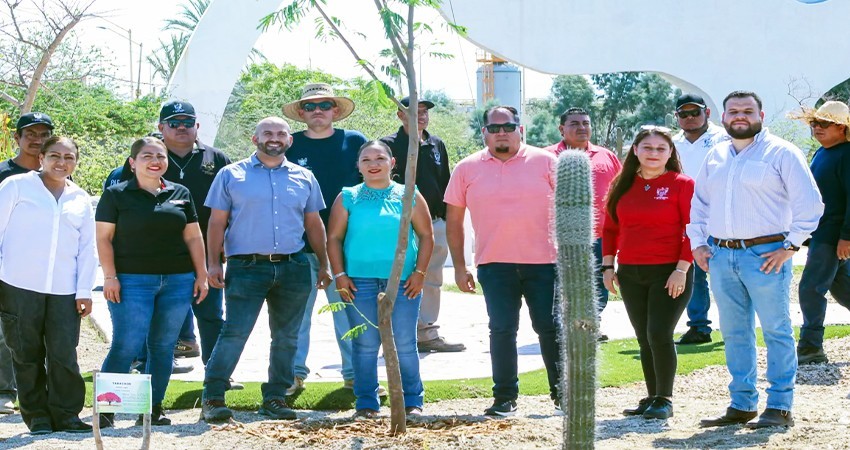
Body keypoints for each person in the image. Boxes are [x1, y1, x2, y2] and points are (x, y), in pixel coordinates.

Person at [689, 91, 823, 429]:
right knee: (734, 332)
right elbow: (700, 203)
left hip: (766, 255)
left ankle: (779, 406)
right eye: (733, 111)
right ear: (722, 116)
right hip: (721, 254)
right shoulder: (716, 155)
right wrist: (698, 244)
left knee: (776, 330)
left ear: (760, 115)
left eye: (747, 111)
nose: (740, 116)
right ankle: (742, 403)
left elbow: (810, 205)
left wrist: (791, 246)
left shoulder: (782, 152)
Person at [201, 117, 330, 422]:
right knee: (235, 332)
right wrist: (213, 262)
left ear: (290, 140)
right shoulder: (230, 175)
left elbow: (314, 223)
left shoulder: (305, 177)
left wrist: (324, 264)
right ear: (254, 139)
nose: (274, 138)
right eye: (267, 133)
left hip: (294, 266)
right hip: (246, 267)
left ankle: (275, 398)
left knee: (287, 337)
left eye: (281, 133)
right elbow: (216, 222)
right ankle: (213, 396)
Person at [445, 105, 561, 416]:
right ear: (484, 132)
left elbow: (570, 209)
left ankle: (564, 393)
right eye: (494, 128)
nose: (501, 133)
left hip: (545, 264)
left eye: (508, 127)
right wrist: (460, 267)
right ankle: (505, 398)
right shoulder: (466, 168)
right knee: (502, 330)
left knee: (550, 328)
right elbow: (454, 222)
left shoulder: (547, 162)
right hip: (494, 265)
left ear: (520, 130)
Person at [104, 103, 232, 376]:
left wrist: (220, 252)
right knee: (149, 323)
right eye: (174, 123)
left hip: (206, 253)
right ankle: (144, 369)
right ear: (161, 127)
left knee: (211, 315)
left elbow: (232, 204)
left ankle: (217, 374)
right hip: (152, 260)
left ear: (197, 126)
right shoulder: (146, 158)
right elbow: (120, 210)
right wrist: (111, 271)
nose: (182, 127)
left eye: (188, 122)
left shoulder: (217, 158)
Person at [96, 137, 209, 427]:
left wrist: (201, 274)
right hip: (131, 281)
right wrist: (110, 276)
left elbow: (193, 236)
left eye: (160, 156)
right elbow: (104, 239)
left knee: (163, 346)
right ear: (133, 162)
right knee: (127, 345)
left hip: (177, 281)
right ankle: (106, 410)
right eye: (147, 156)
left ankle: (151, 408)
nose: (155, 161)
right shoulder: (116, 194)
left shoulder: (180, 192)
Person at [327, 140, 434, 418]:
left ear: (392, 163)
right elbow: (334, 238)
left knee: (405, 343)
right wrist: (339, 275)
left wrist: (420, 273)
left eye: (379, 159)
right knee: (364, 345)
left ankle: (412, 401)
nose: (373, 164)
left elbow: (426, 236)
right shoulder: (348, 197)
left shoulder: (408, 194)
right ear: (358, 166)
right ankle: (366, 404)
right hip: (358, 283)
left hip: (402, 281)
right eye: (366, 160)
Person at [0, 136, 96, 434]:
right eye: (55, 155)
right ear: (41, 158)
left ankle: (66, 414)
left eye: (69, 157)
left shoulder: (80, 198)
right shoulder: (15, 186)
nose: (61, 162)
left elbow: (87, 249)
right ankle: (37, 416)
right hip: (18, 285)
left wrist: (84, 291)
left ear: (75, 162)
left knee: (63, 354)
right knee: (25, 354)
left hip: (64, 290)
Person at [601, 126, 695, 420]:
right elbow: (610, 229)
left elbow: (693, 230)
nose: (654, 153)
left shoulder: (682, 184)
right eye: (647, 147)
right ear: (635, 150)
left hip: (670, 271)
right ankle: (653, 395)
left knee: (659, 333)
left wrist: (681, 269)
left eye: (660, 148)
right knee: (643, 336)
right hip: (630, 272)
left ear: (670, 153)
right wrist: (608, 267)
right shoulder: (622, 184)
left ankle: (665, 399)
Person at [282, 83, 366, 394]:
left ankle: (356, 375)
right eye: (310, 106)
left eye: (324, 105)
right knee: (296, 316)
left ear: (335, 110)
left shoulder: (354, 141)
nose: (317, 110)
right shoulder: (290, 145)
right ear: (301, 112)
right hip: (298, 245)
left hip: (346, 245)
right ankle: (292, 375)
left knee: (348, 313)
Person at [380, 96, 464, 353]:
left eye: (424, 111)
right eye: (414, 111)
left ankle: (427, 332)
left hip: (436, 223)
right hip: (401, 224)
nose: (421, 115)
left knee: (432, 277)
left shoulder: (436, 143)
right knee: (399, 277)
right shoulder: (387, 145)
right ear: (400, 115)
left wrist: (448, 218)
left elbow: (446, 183)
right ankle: (397, 335)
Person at [544, 107, 621, 341]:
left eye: (585, 123)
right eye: (574, 124)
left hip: (600, 234)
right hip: (560, 237)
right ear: (562, 129)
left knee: (598, 283)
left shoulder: (606, 156)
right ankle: (562, 328)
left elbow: (621, 190)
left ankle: (590, 326)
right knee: (561, 283)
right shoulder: (546, 157)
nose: (581, 128)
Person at [0, 112, 54, 415]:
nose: (37, 140)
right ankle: (4, 392)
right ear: (17, 137)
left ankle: (42, 393)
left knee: (45, 334)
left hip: (48, 270)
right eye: (30, 134)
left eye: (44, 134)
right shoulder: (3, 173)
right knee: (6, 332)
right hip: (8, 268)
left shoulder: (58, 173)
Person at [789, 101, 850, 365]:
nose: (817, 128)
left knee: (810, 288)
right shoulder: (822, 153)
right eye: (814, 123)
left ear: (841, 127)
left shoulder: (847, 154)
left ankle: (811, 346)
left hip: (833, 234)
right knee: (842, 288)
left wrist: (846, 236)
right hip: (821, 232)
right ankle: (811, 345)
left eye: (824, 123)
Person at [671, 94, 730, 345]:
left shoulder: (724, 139)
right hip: (687, 218)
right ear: (677, 117)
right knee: (692, 275)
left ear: (706, 113)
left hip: (720, 216)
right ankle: (699, 327)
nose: (690, 118)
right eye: (683, 114)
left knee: (726, 275)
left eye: (695, 112)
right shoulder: (672, 143)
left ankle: (735, 326)